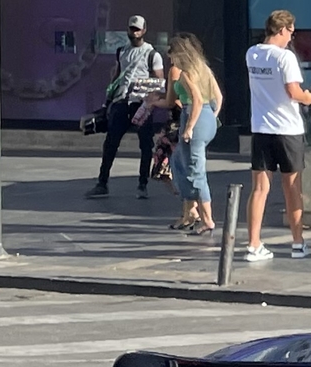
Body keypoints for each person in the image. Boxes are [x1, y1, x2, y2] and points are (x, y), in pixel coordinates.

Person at [242, 11, 311, 263]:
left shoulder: (252, 53)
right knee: (292, 189)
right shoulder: (285, 57)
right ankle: (298, 242)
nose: (291, 37)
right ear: (281, 30)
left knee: (259, 189)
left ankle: (254, 244)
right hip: (287, 129)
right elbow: (293, 92)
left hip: (261, 127)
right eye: (290, 32)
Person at [89, 15, 166, 199]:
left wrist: (149, 99)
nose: (134, 32)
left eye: (137, 29)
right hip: (122, 101)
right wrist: (108, 101)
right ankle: (102, 182)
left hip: (141, 103)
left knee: (145, 145)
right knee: (111, 143)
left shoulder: (152, 54)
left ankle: (142, 184)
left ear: (144, 30)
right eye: (132, 29)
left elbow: (160, 81)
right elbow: (116, 76)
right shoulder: (122, 51)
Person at [164, 32, 222, 235]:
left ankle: (207, 219)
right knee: (179, 161)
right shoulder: (204, 69)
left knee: (196, 170)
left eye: (172, 57)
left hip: (194, 117)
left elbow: (196, 100)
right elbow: (218, 96)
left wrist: (189, 127)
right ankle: (191, 211)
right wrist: (213, 115)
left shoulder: (186, 73)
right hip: (207, 116)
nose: (171, 61)